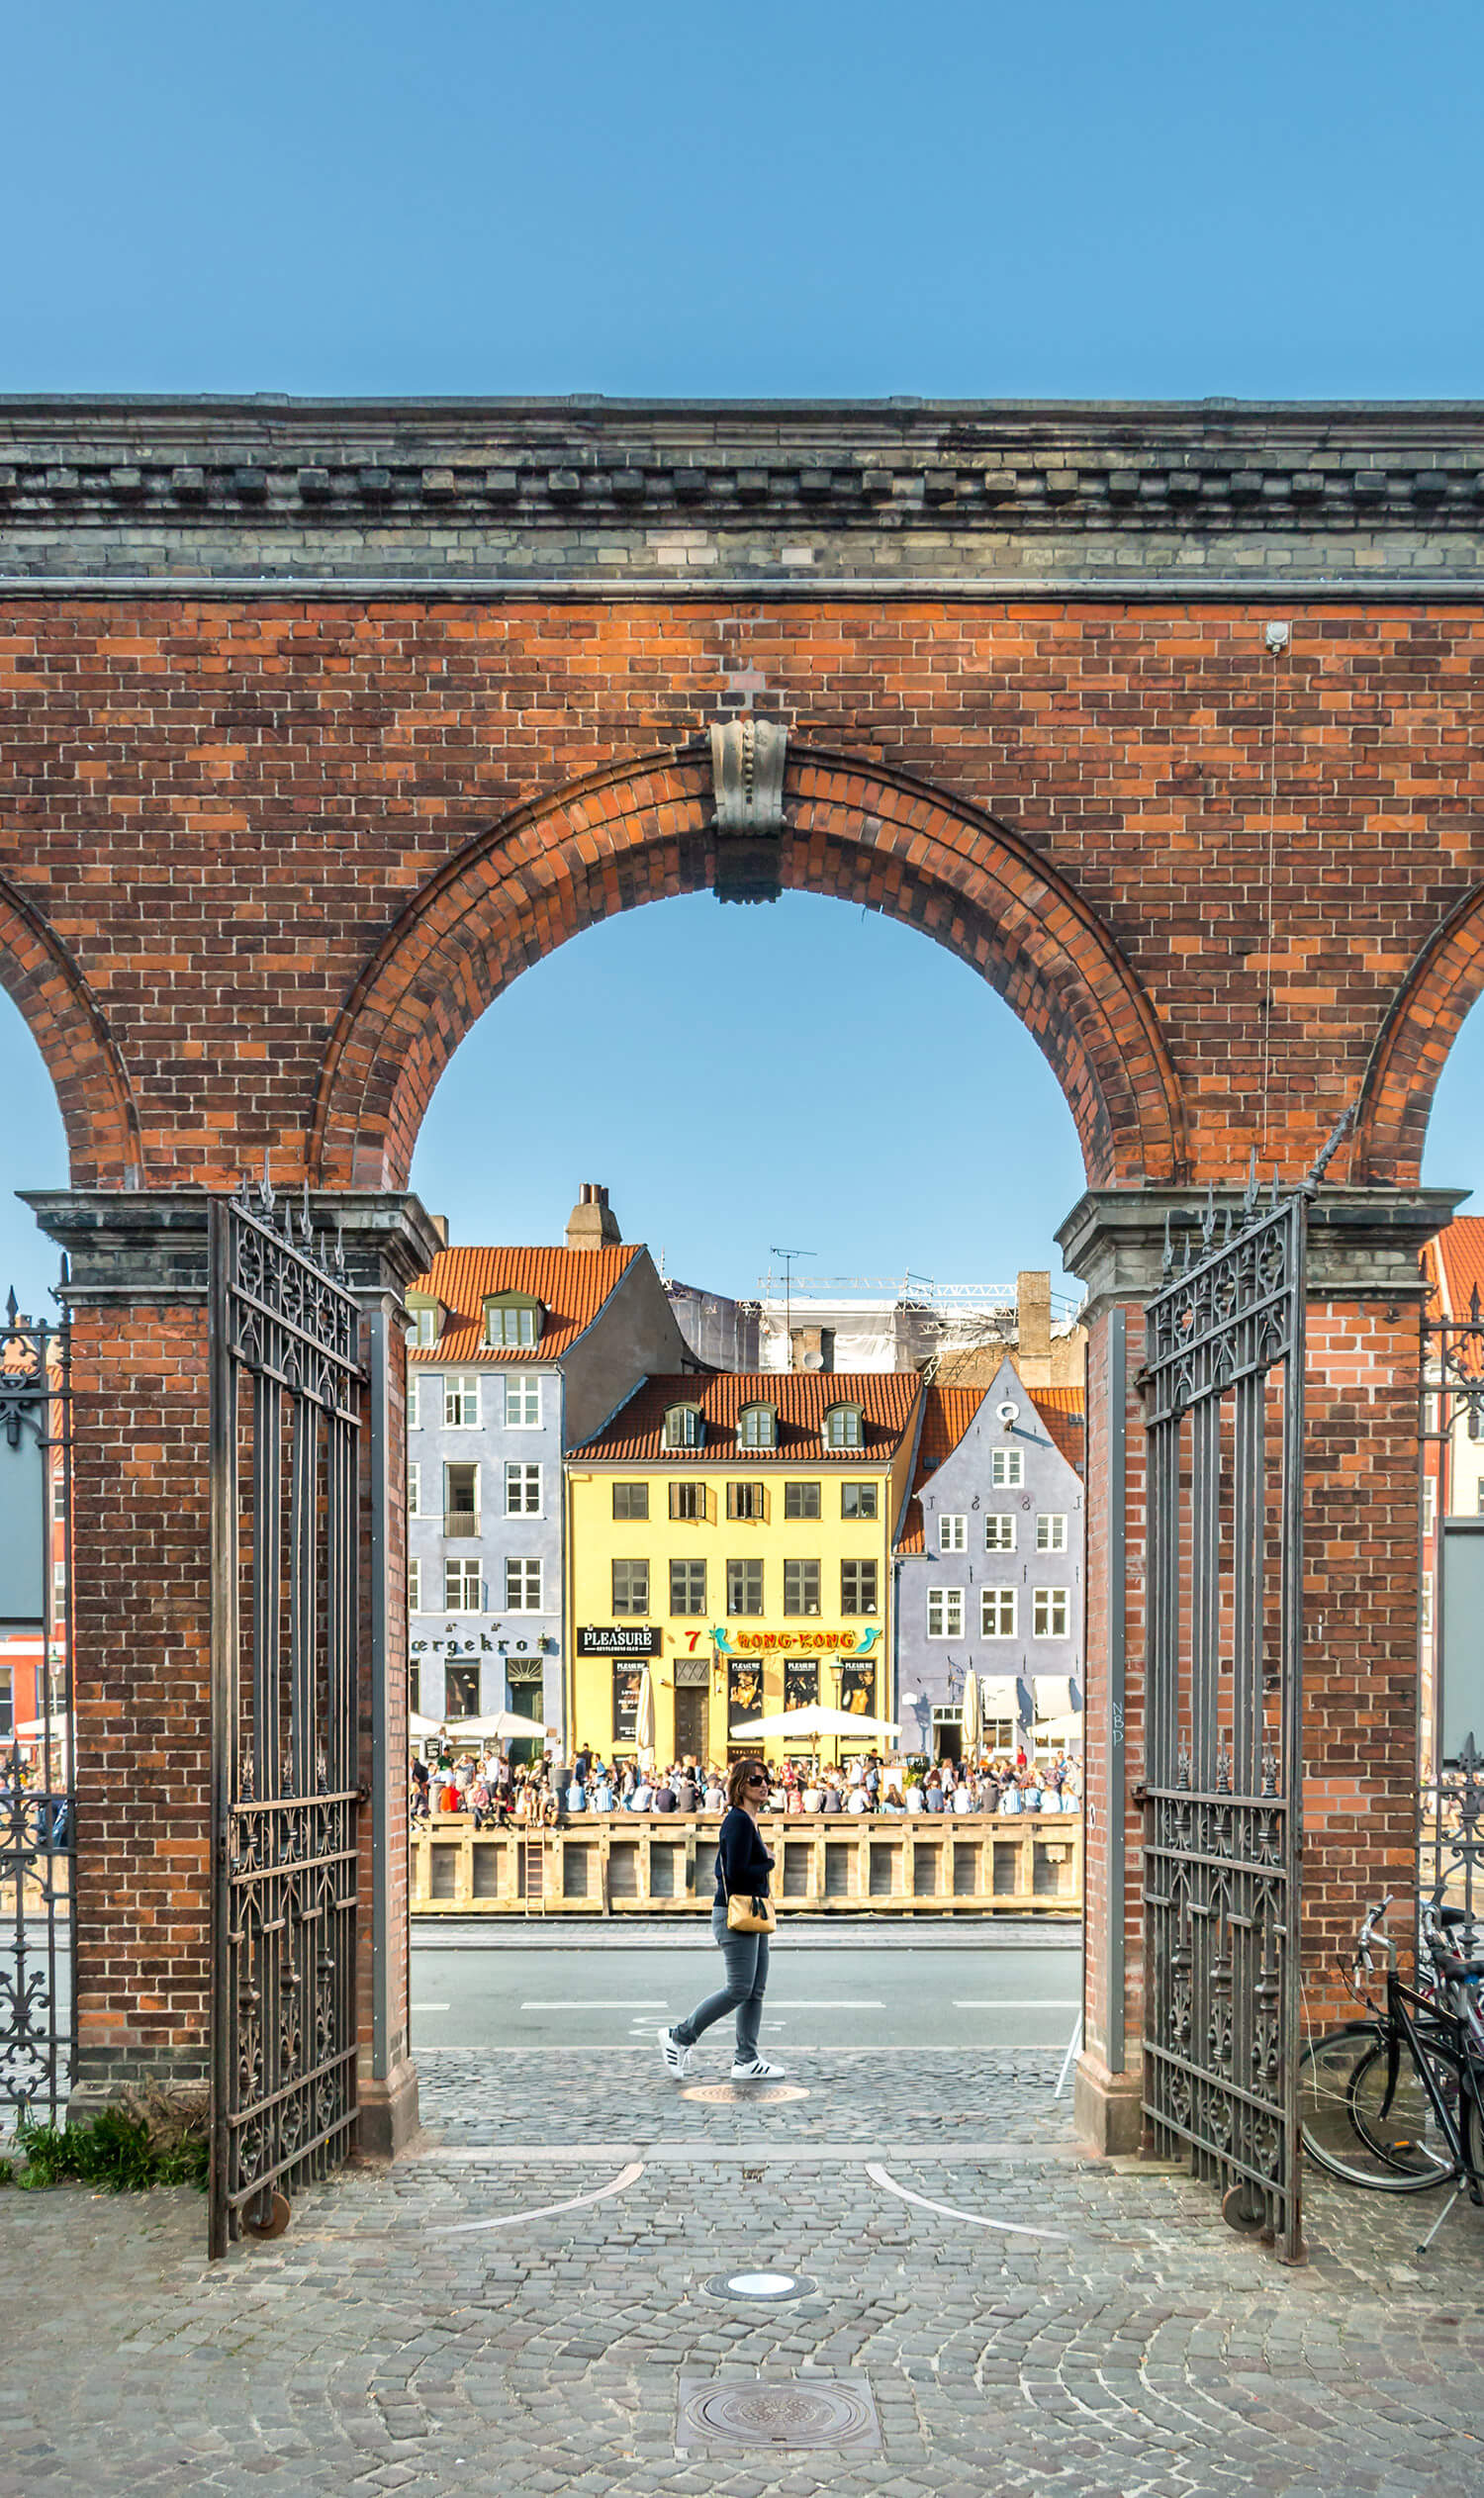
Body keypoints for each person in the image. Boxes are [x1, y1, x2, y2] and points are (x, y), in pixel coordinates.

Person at [659, 1758, 782, 2083]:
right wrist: (768, 1862)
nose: (764, 1784)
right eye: (757, 1780)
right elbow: (736, 1873)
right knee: (739, 1988)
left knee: (754, 1990)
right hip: (734, 1914)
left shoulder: (749, 1821)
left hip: (753, 1914)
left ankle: (747, 2059)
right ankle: (680, 2036)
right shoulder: (739, 1822)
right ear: (741, 1786)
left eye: (766, 1779)